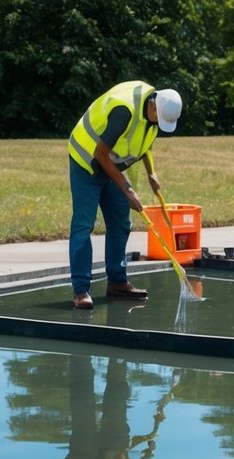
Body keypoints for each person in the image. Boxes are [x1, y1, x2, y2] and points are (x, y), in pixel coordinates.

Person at [67, 81, 182, 310]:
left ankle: (117, 282)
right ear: (153, 105)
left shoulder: (152, 115)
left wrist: (151, 173)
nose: (159, 123)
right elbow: (100, 153)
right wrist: (128, 189)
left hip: (111, 166)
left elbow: (143, 142)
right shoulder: (125, 111)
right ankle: (80, 290)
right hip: (87, 161)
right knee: (84, 225)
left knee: (121, 223)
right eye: (159, 118)